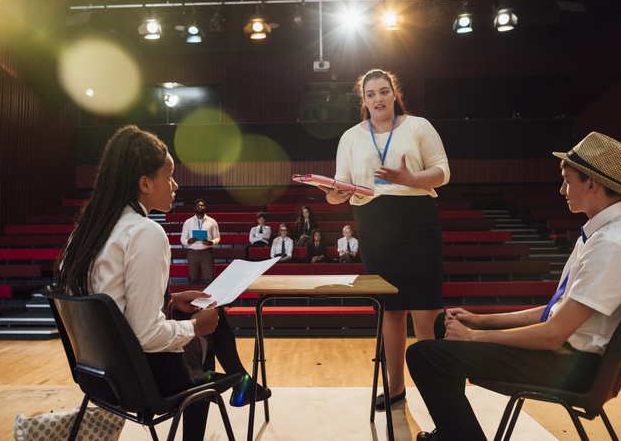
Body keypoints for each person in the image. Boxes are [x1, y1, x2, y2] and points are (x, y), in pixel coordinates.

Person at [406, 132, 621, 440]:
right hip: (574, 358)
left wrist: (474, 338)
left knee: (424, 356)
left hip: (572, 367)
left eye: (567, 181)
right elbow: (556, 312)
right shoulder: (612, 233)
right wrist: (478, 321)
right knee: (443, 323)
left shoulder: (613, 246)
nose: (562, 189)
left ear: (592, 184)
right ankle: (453, 433)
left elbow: (553, 334)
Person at [53, 126, 269, 440]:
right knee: (210, 324)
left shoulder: (86, 231)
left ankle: (241, 384)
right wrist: (195, 327)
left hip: (97, 377)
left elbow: (111, 307)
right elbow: (145, 334)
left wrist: (172, 301)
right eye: (169, 176)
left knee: (200, 312)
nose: (176, 184)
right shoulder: (145, 232)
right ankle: (238, 385)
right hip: (143, 383)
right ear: (144, 183)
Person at [322, 69, 450, 413]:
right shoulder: (350, 136)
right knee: (391, 312)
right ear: (363, 101)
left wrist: (412, 178)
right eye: (370, 94)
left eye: (383, 91)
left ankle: (440, 396)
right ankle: (396, 389)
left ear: (395, 94)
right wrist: (334, 194)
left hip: (418, 224)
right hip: (375, 228)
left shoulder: (418, 126)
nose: (378, 99)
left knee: (427, 312)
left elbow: (442, 171)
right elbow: (342, 185)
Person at [181, 198, 219, 285]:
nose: (200, 207)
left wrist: (212, 242)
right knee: (194, 280)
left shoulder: (212, 221)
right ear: (194, 208)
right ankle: (195, 298)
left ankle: (211, 298)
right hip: (192, 253)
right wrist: (188, 241)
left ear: (205, 207)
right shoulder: (188, 222)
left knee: (210, 280)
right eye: (198, 206)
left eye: (202, 205)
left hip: (207, 252)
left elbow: (217, 238)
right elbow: (182, 239)